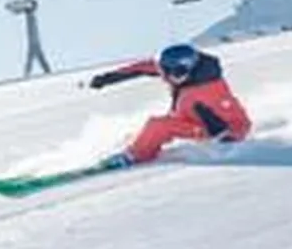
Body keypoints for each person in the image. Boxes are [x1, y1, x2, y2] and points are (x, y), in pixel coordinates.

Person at [89, 41, 251, 167]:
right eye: (165, 73)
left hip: (219, 130)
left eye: (175, 74)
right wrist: (107, 78)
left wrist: (226, 140)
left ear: (188, 69)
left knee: (159, 126)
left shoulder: (209, 90)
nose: (168, 78)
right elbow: (141, 68)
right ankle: (137, 146)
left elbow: (236, 121)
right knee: (149, 129)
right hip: (189, 117)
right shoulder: (178, 70)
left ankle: (134, 156)